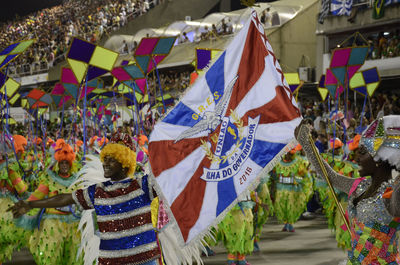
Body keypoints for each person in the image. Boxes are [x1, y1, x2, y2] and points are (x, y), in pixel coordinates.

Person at [9, 133, 162, 265]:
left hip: (145, 260)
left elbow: (171, 177)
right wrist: (30, 204)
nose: (105, 163)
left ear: (124, 163)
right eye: (105, 158)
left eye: (111, 160)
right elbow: (65, 199)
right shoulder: (98, 191)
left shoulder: (143, 185)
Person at [295, 114, 400, 264]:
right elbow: (329, 176)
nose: (356, 158)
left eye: (363, 152)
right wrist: (306, 143)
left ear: (380, 159)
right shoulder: (360, 186)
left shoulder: (393, 193)